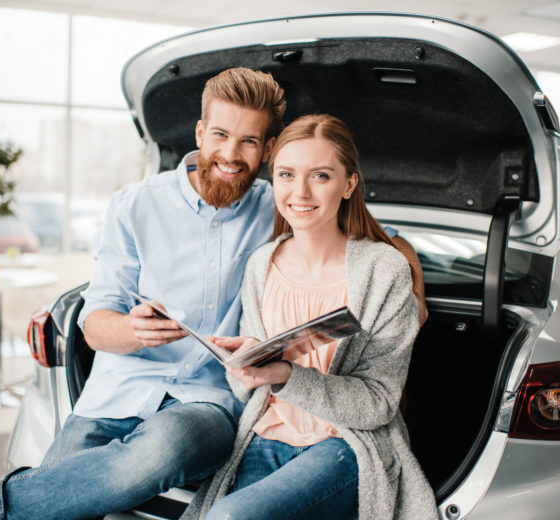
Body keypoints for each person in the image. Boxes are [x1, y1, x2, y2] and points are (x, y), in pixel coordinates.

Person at [0, 67, 426, 519]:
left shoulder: (279, 206)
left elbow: (376, 237)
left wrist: (414, 289)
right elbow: (94, 325)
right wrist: (131, 329)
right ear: (200, 133)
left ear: (268, 148)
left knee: (162, 450)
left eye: (249, 141)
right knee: (55, 504)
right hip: (117, 395)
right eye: (220, 135)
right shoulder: (135, 206)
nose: (231, 154)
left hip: (206, 403)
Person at [181, 114, 438, 520]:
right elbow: (248, 390)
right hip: (264, 433)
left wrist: (286, 376)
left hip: (345, 443)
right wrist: (246, 362)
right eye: (286, 174)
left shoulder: (383, 270)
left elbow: (377, 404)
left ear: (349, 184)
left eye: (320, 176)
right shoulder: (261, 263)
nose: (299, 192)